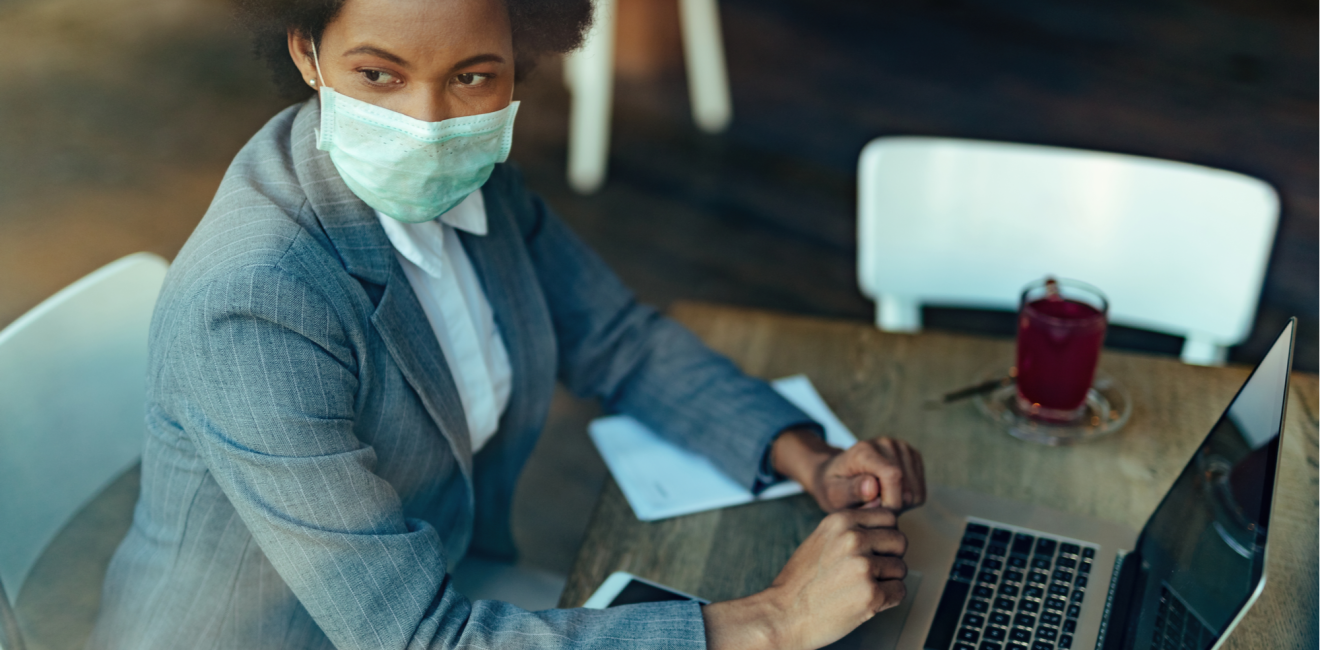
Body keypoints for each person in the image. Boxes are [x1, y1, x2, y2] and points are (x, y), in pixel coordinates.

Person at [88, 0, 927, 648]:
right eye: (380, 75)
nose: (427, 126)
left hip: (449, 591)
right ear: (307, 51)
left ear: (521, 66)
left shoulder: (475, 185)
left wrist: (809, 459)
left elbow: (619, 342)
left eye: (472, 77)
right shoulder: (258, 303)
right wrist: (774, 621)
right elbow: (418, 637)